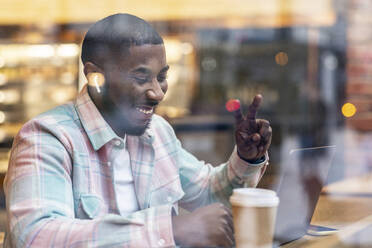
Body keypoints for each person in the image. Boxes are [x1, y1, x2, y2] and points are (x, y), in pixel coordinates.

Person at [4, 13, 272, 247]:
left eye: (162, 77)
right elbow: (36, 238)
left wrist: (247, 158)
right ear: (96, 77)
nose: (157, 93)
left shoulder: (158, 133)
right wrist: (172, 229)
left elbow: (209, 194)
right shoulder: (45, 138)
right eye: (141, 78)